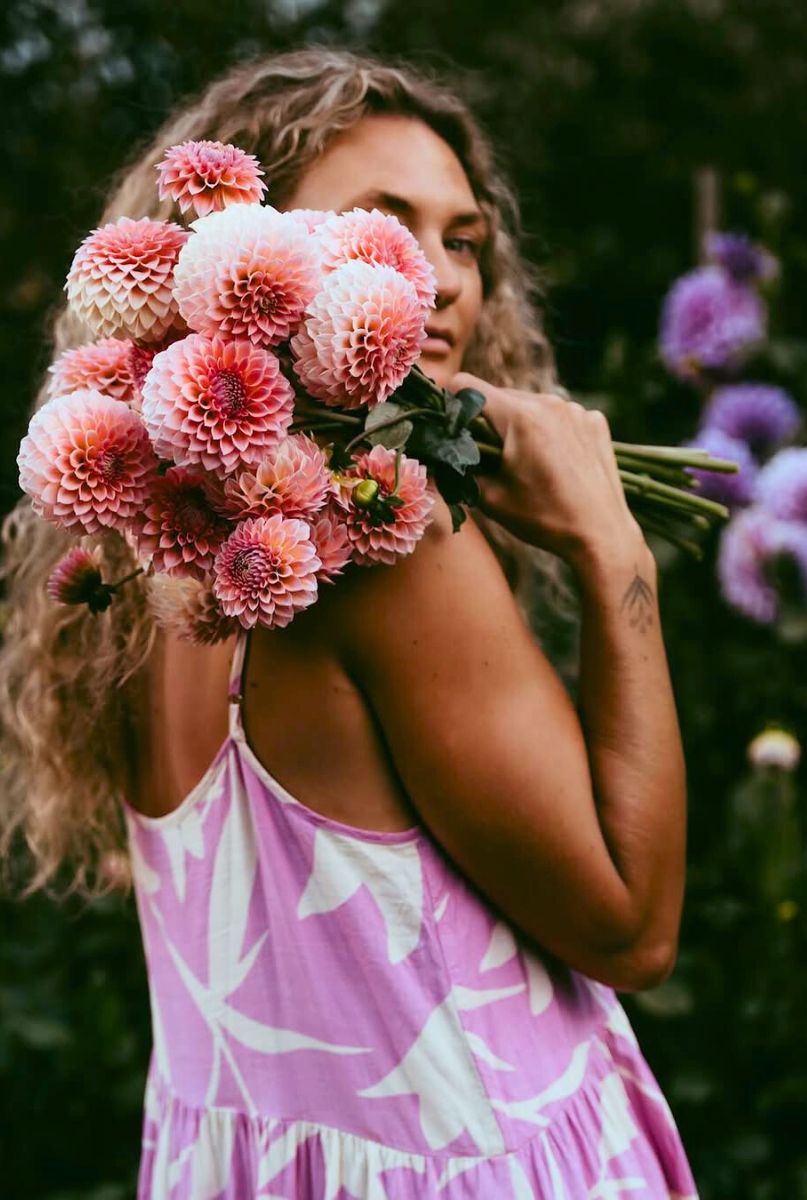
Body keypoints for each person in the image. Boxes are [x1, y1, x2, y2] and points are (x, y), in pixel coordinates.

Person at [0, 47, 699, 1198]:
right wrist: (617, 550)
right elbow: (631, 931)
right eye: (381, 227)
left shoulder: (145, 554)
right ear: (245, 263)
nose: (442, 276)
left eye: (464, 238)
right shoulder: (383, 549)